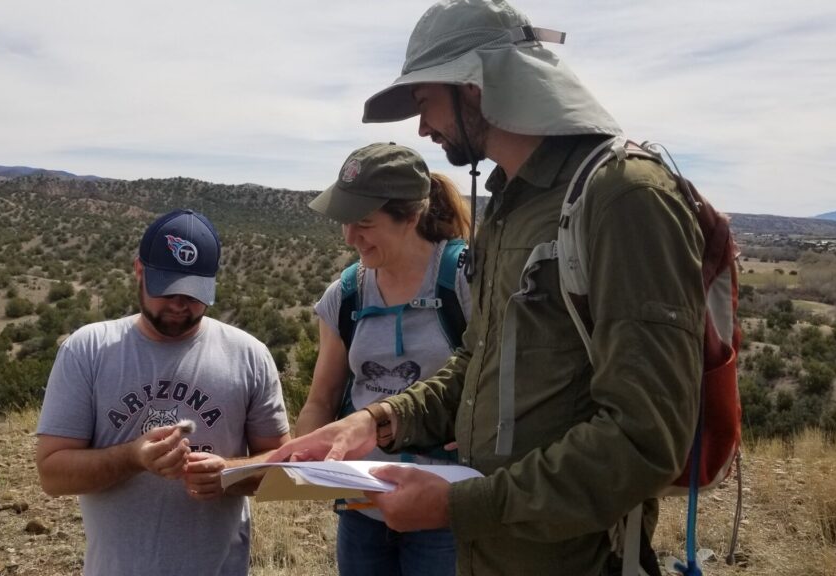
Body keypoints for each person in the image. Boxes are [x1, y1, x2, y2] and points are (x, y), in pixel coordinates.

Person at [271, 1, 704, 575]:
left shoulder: (624, 197)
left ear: (473, 87)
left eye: (425, 102)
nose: (423, 127)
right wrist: (377, 421)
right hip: (489, 555)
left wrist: (459, 505)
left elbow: (644, 438)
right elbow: (477, 362)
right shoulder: (509, 207)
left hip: (575, 559)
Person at [35, 208, 291, 576]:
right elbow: (53, 474)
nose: (178, 304)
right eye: (167, 288)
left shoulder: (249, 355)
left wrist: (227, 474)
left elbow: (279, 465)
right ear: (138, 270)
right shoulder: (87, 350)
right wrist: (133, 457)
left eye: (193, 292)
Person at [298, 142, 472, 576]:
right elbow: (322, 398)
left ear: (411, 217)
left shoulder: (466, 281)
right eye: (345, 222)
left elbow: (497, 381)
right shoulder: (346, 294)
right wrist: (301, 457)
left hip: (442, 510)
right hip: (361, 506)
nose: (349, 237)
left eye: (364, 223)